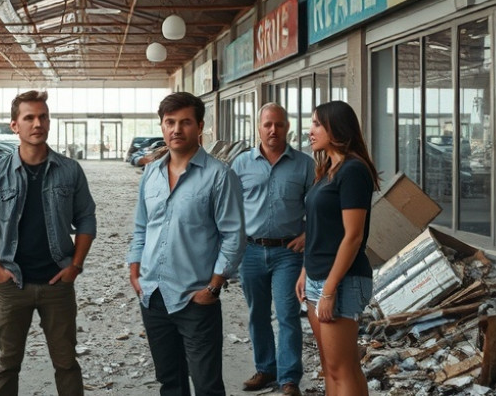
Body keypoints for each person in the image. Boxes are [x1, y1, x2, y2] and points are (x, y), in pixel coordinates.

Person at [0, 90, 97, 396]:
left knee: (66, 363)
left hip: (58, 282)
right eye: (29, 117)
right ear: (15, 125)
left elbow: (86, 219)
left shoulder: (69, 170)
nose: (37, 123)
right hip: (12, 284)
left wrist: (75, 266)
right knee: (6, 364)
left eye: (43, 116)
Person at [127, 92, 246, 396]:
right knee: (170, 382)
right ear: (162, 126)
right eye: (170, 122)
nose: (176, 129)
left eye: (185, 122)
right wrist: (135, 270)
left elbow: (233, 235)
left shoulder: (219, 176)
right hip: (153, 296)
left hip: (195, 298)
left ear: (200, 126)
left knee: (206, 386)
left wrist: (214, 287)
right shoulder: (151, 173)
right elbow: (142, 227)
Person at [295, 100, 380, 396]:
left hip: (341, 281)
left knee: (341, 369)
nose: (310, 131)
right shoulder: (328, 169)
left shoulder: (353, 171)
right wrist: (306, 270)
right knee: (333, 366)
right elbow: (319, 229)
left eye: (317, 124)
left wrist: (329, 290)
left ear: (336, 128)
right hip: (320, 276)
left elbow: (353, 236)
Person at [231, 103, 314, 396]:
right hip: (251, 252)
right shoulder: (241, 164)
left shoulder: (305, 164)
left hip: (288, 253)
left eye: (278, 124)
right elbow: (230, 209)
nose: (273, 130)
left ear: (287, 127)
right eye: (267, 124)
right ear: (258, 127)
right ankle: (266, 369)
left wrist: (308, 233)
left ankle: (289, 378)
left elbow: (317, 207)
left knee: (288, 314)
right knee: (257, 314)